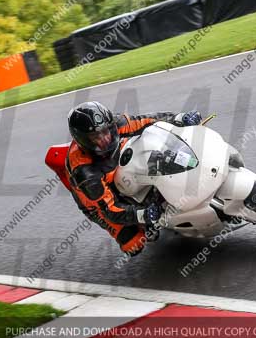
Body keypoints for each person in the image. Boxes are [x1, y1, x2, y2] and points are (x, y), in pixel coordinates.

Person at [63, 101, 202, 256]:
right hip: (98, 203)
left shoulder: (116, 123)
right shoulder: (84, 172)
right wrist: (143, 214)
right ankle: (140, 224)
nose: (105, 138)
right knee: (134, 244)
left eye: (106, 131)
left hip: (117, 165)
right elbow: (110, 210)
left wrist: (180, 118)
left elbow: (146, 121)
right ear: (83, 140)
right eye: (96, 136)